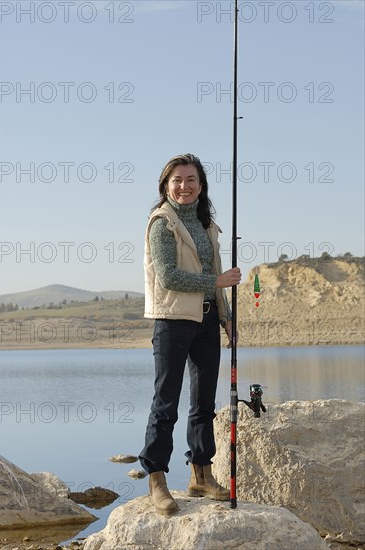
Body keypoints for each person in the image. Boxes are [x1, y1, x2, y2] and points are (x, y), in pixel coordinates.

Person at [139, 153, 241, 516]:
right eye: (177, 180)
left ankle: (201, 474)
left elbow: (214, 276)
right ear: (166, 186)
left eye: (191, 180)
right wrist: (217, 281)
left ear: (201, 185)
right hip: (172, 320)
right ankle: (157, 479)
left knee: (204, 404)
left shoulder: (206, 224)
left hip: (208, 321)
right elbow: (169, 277)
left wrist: (227, 318)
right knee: (165, 402)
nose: (184, 186)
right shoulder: (161, 223)